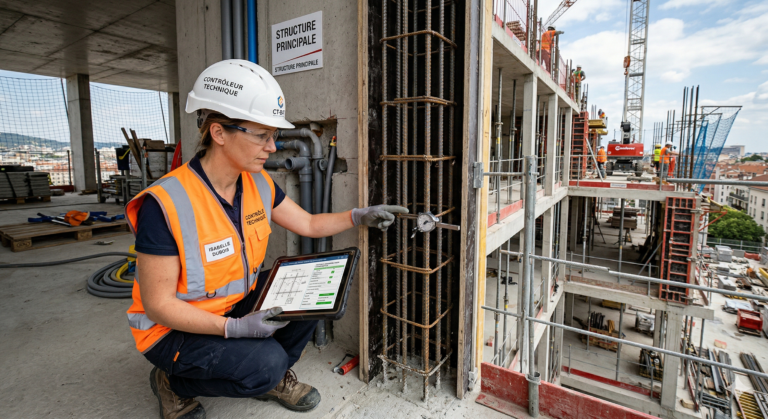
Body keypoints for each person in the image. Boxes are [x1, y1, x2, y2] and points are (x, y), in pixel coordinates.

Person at [125, 59, 408, 419]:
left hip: (232, 303)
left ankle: (264, 374)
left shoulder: (256, 183)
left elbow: (306, 223)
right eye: (261, 135)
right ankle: (173, 382)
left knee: (315, 288)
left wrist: (357, 216)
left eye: (272, 134)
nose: (272, 147)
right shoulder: (164, 203)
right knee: (266, 364)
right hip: (173, 331)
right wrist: (235, 328)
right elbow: (158, 306)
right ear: (219, 132)